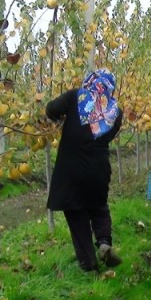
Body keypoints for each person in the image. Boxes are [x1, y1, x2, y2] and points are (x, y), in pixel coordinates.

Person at [46, 69, 123, 272]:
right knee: (99, 207)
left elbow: (51, 109)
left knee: (76, 214)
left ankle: (89, 264)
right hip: (98, 168)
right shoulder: (116, 111)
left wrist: (61, 119)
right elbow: (107, 135)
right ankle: (104, 242)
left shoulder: (75, 96)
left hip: (71, 168)